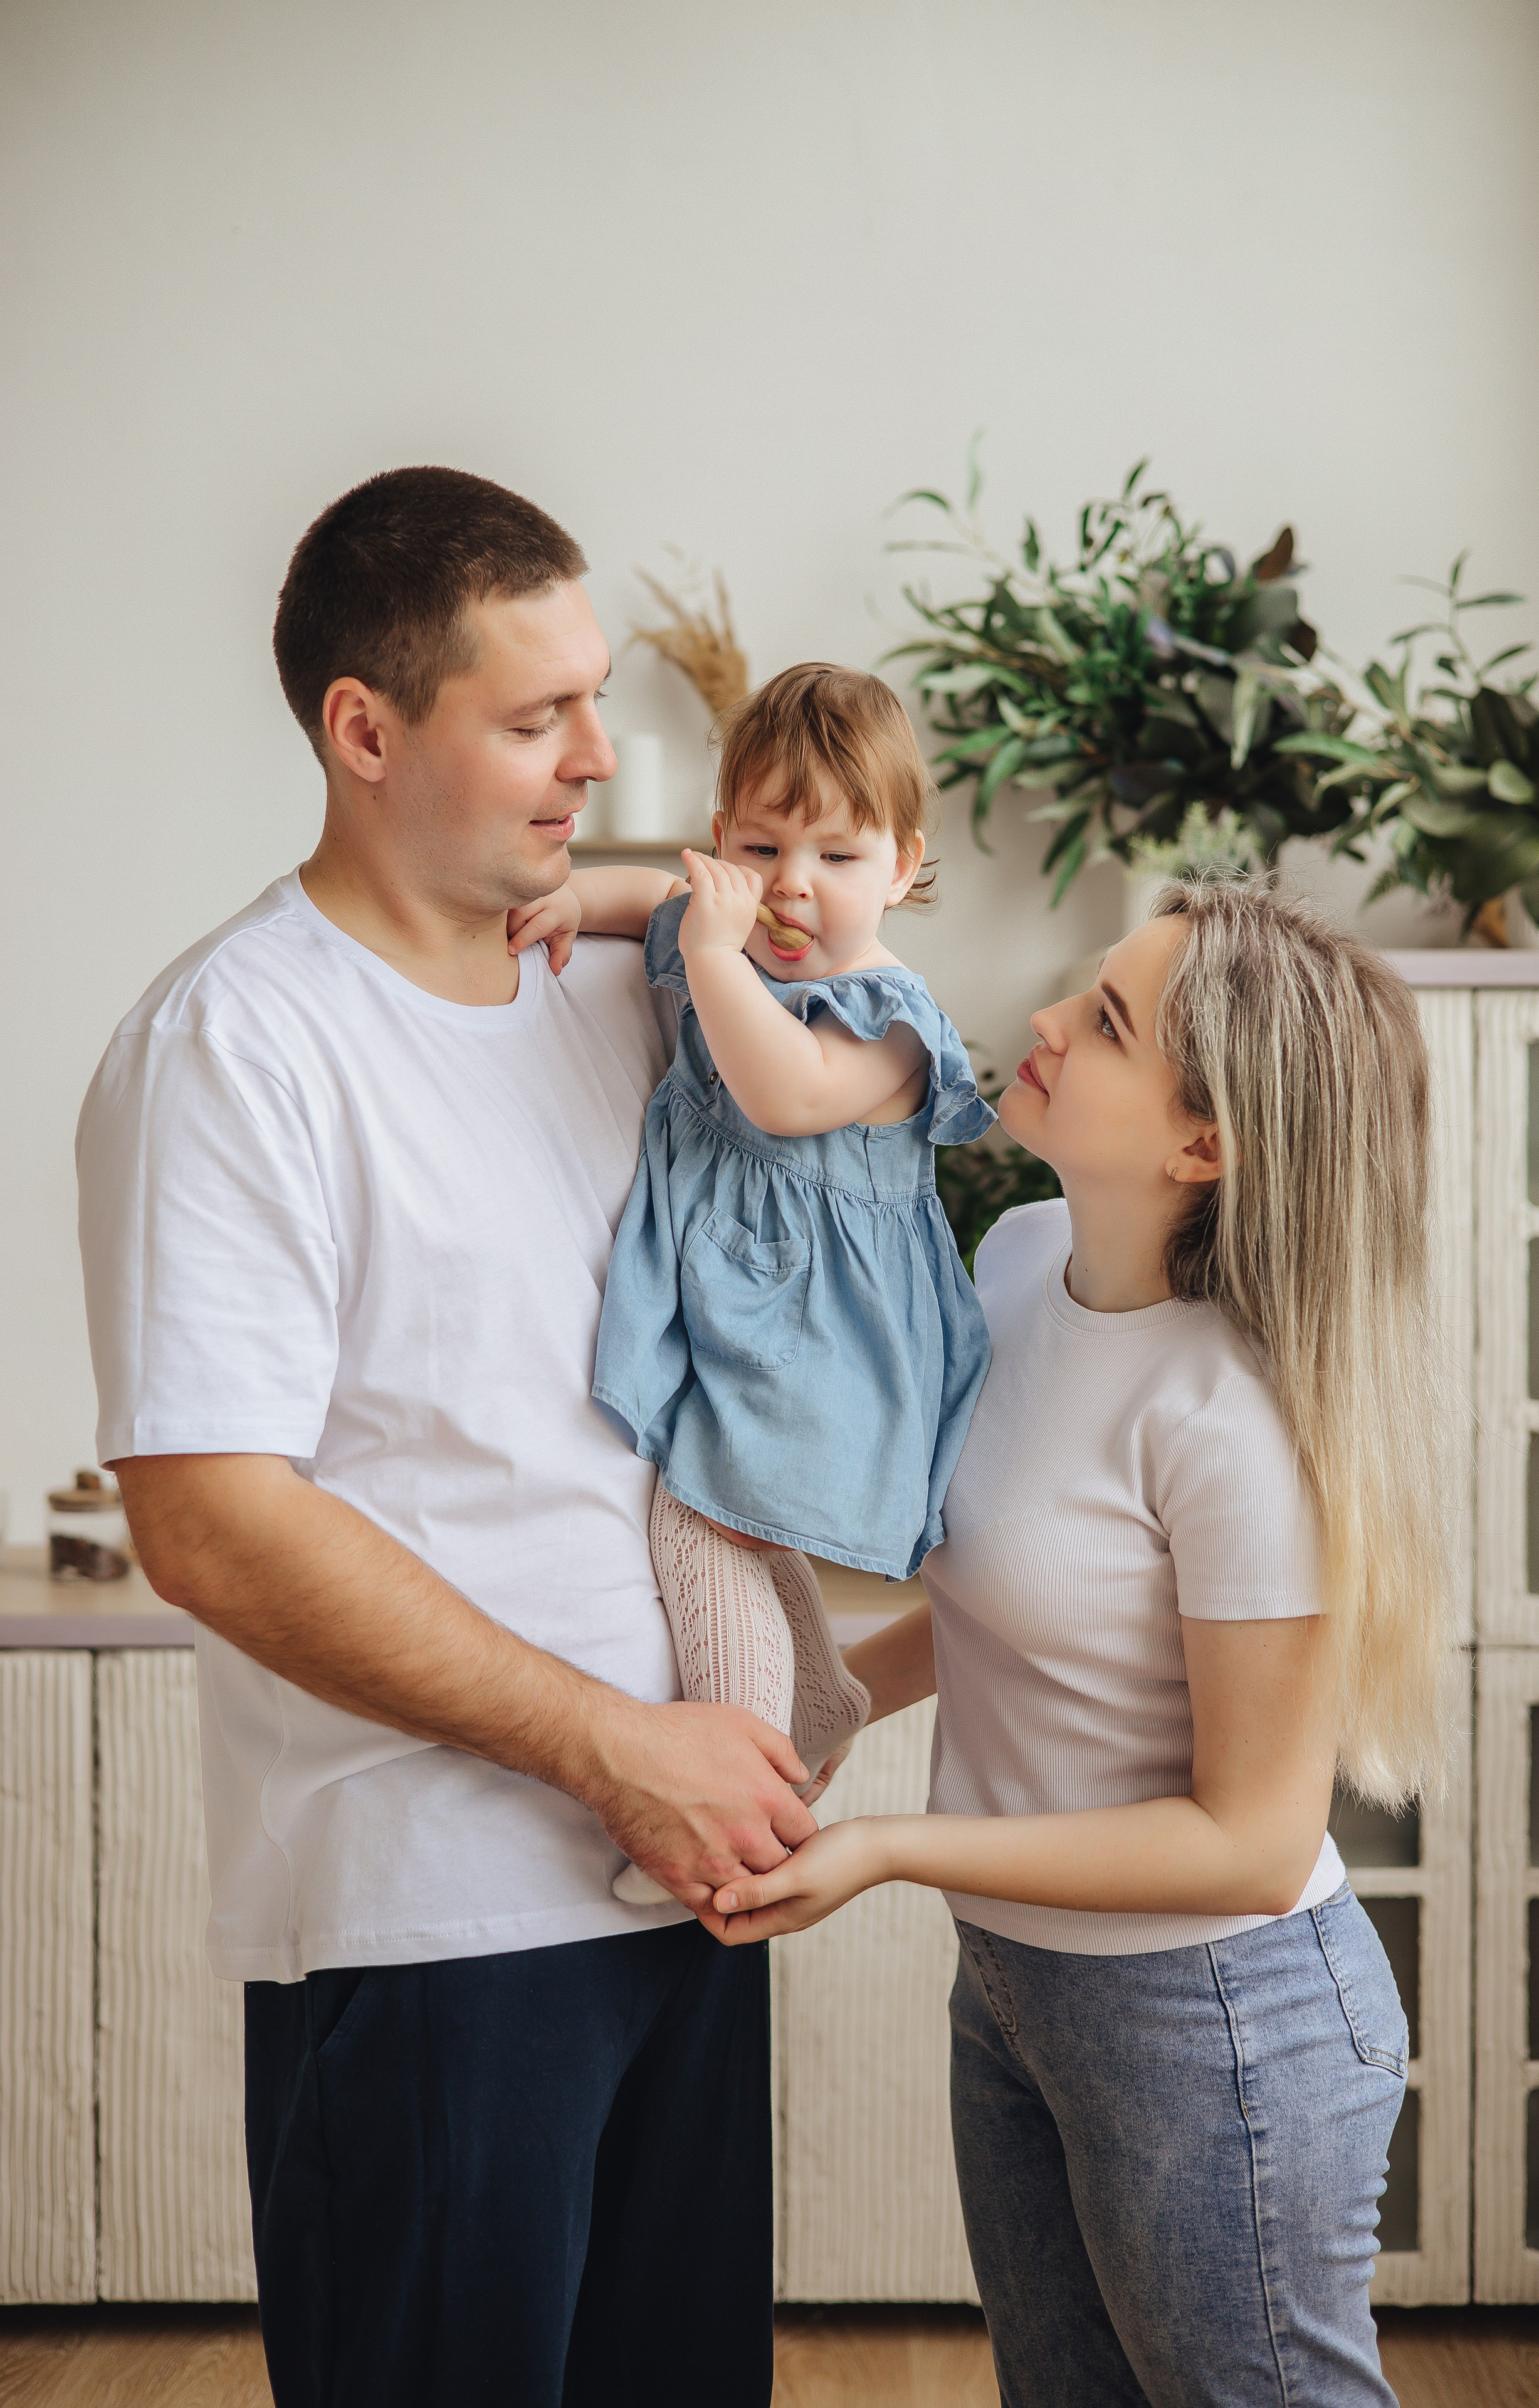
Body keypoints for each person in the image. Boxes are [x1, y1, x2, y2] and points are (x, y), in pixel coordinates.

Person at [75, 466, 807, 2408]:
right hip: (436, 1930)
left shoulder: (619, 1002)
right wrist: (610, 1746)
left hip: (682, 1886)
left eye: (598, 697)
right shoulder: (236, 1049)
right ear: (366, 730)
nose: (601, 753)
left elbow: (865, 1018)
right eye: (536, 716)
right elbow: (217, 1525)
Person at [708, 878, 1451, 2408]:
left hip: (1219, 2024)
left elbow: (1249, 1843)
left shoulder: (1233, 1421)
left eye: (1105, 1020)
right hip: (1016, 1992)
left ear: (1205, 1143)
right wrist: (834, 1698)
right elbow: (1015, 1606)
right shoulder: (1017, 1259)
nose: (1044, 1022)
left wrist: (891, 1847)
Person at [510, 664, 995, 1903]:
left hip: (831, 1334)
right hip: (748, 1311)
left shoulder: (888, 1015)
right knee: (727, 1500)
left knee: (698, 1521)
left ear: (898, 867)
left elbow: (784, 1097)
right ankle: (818, 1695)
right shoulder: (715, 926)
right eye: (761, 844)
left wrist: (714, 951)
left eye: (836, 855)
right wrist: (574, 898)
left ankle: (743, 1814)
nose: (790, 884)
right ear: (719, 838)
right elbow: (645, 899)